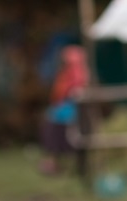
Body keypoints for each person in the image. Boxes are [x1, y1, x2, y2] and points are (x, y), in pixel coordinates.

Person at [39, 45, 89, 175]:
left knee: (59, 135)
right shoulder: (66, 73)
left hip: (68, 113)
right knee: (52, 133)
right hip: (61, 112)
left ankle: (55, 163)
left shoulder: (77, 73)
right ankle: (53, 163)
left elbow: (76, 92)